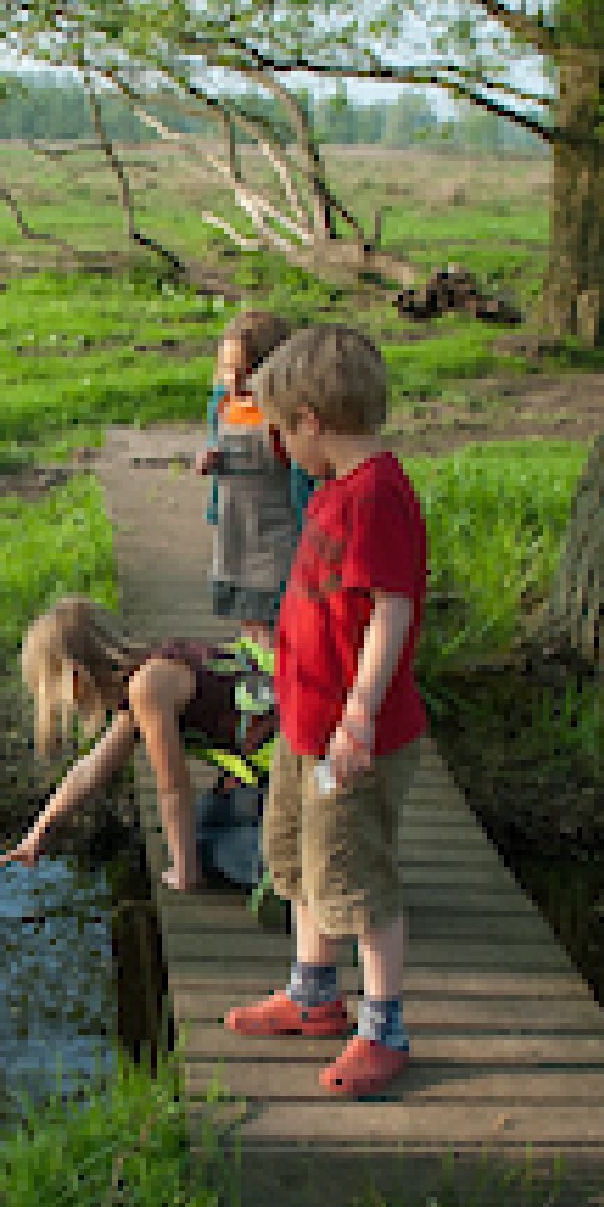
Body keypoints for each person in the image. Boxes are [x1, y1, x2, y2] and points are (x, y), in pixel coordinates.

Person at [220, 325, 428, 1099]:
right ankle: (313, 995)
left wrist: (360, 717)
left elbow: (391, 611)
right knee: (301, 861)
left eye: (280, 429)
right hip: (307, 728)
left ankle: (385, 1026)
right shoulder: (339, 489)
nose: (278, 444)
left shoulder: (375, 497)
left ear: (310, 419)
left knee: (358, 878)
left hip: (350, 739)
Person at [0, 597, 273, 894]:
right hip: (292, 761)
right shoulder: (153, 670)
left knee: (202, 847)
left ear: (75, 679)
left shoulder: (148, 690)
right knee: (202, 823)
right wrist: (39, 833)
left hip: (294, 770)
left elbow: (173, 790)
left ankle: (282, 870)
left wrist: (185, 871)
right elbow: (89, 770)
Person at [193, 309, 305, 648]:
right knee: (244, 609)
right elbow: (217, 442)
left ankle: (274, 678)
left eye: (248, 372)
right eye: (229, 370)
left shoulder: (284, 414)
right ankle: (253, 670)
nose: (236, 381)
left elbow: (301, 468)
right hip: (234, 525)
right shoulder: (224, 404)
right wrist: (208, 459)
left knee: (273, 613)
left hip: (275, 529)